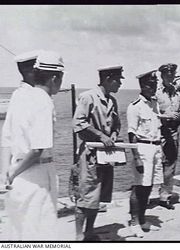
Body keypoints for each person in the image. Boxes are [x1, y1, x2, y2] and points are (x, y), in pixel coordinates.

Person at [1, 51, 65, 240]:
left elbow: (6, 139)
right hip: (38, 175)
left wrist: (6, 174)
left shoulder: (18, 96)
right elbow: (38, 149)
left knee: (18, 233)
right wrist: (11, 174)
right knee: (41, 234)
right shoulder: (43, 101)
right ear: (54, 78)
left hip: (17, 171)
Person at [71, 66, 123, 241]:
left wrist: (114, 135)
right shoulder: (88, 97)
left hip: (106, 155)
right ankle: (78, 236)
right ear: (108, 79)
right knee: (86, 194)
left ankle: (89, 231)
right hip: (90, 153)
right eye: (118, 79)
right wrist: (101, 135)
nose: (121, 83)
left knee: (98, 195)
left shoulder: (112, 101)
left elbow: (117, 124)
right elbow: (78, 124)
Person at [127, 70, 162, 237]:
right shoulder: (135, 107)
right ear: (142, 86)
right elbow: (131, 134)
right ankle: (134, 222)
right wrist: (136, 158)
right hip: (142, 149)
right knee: (138, 187)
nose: (153, 88)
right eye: (150, 85)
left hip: (155, 148)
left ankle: (142, 219)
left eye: (155, 84)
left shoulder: (154, 104)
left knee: (148, 187)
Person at [155, 63, 180, 210]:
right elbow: (151, 113)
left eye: (173, 74)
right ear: (162, 76)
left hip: (173, 131)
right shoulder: (156, 92)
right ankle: (145, 194)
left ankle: (165, 196)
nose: (171, 77)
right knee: (155, 163)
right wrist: (165, 116)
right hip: (158, 131)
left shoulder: (177, 92)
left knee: (170, 164)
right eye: (168, 74)